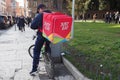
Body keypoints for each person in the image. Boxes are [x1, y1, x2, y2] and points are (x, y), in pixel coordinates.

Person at [30, 4, 51, 76]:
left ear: (39, 9)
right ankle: (50, 63)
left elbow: (32, 26)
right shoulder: (50, 14)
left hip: (41, 35)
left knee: (36, 51)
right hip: (49, 36)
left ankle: (34, 70)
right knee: (47, 48)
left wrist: (38, 26)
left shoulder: (40, 15)